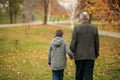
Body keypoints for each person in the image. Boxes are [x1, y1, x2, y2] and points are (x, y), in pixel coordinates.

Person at [70, 12, 99, 80]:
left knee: (79, 75)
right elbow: (96, 43)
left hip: (79, 56)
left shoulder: (76, 28)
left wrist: (71, 52)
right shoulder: (94, 28)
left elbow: (73, 42)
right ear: (88, 18)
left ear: (81, 18)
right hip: (90, 56)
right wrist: (96, 54)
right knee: (89, 76)